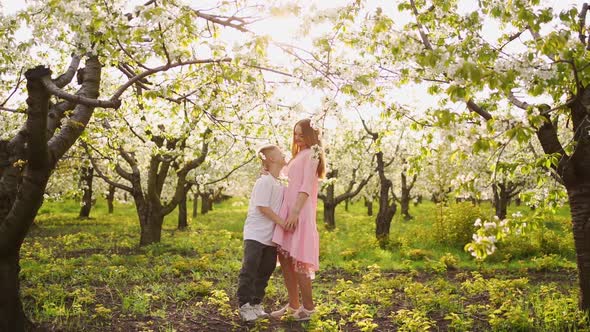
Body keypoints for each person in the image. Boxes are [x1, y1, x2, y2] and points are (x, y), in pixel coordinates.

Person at [271, 118, 325, 321]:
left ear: (311, 135)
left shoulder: (313, 153)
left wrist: (295, 212)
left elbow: (306, 186)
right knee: (285, 258)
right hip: (287, 210)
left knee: (299, 259)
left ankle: (308, 308)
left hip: (299, 212)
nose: (297, 137)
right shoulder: (298, 155)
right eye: (295, 134)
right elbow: (285, 178)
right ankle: (293, 305)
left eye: (302, 134)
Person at [237, 145, 288, 322]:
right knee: (250, 268)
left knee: (266, 269)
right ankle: (244, 306)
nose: (284, 155)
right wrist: (282, 222)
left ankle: (256, 304)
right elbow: (262, 207)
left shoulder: (278, 182)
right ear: (271, 159)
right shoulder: (264, 181)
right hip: (256, 234)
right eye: (281, 154)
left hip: (270, 237)